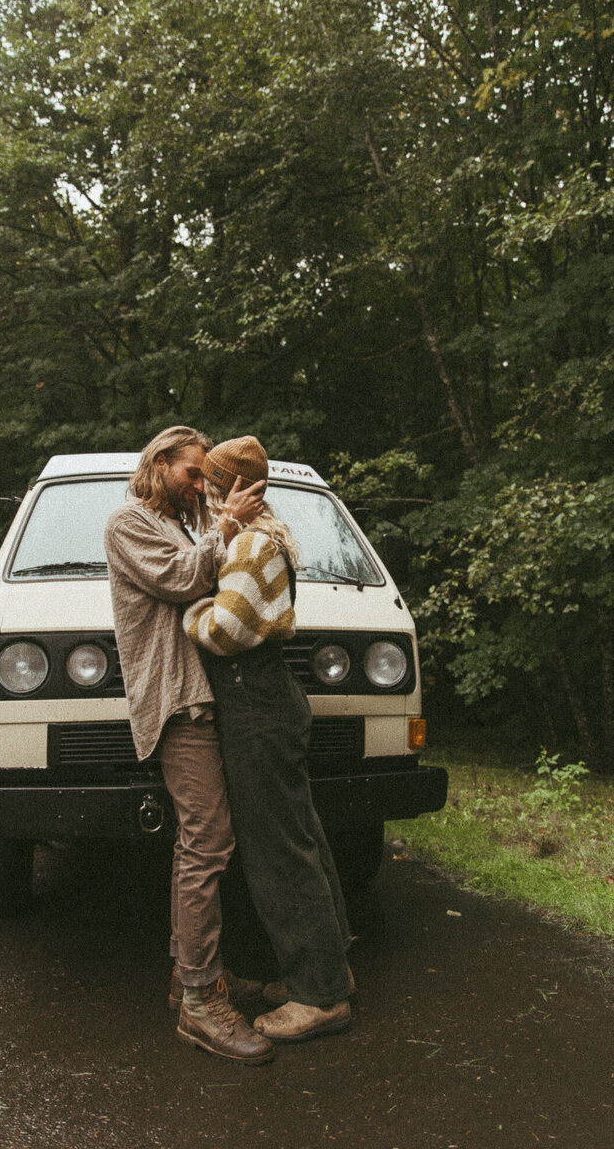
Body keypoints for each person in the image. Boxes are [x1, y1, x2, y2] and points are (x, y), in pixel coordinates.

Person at [104, 425, 273, 1066]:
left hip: (204, 697)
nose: (201, 485)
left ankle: (193, 977)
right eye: (192, 472)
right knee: (208, 841)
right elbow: (181, 580)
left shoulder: (181, 521)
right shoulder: (129, 522)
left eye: (207, 477)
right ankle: (203, 1004)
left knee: (200, 840)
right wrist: (227, 524)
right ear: (159, 463)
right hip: (176, 701)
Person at [183, 435, 355, 1043]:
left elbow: (225, 628)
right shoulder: (254, 538)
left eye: (210, 479)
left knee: (279, 851)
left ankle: (319, 998)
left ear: (236, 486)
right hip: (263, 701)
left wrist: (186, 615)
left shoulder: (253, 544)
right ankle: (328, 975)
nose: (200, 487)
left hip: (255, 701)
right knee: (301, 837)